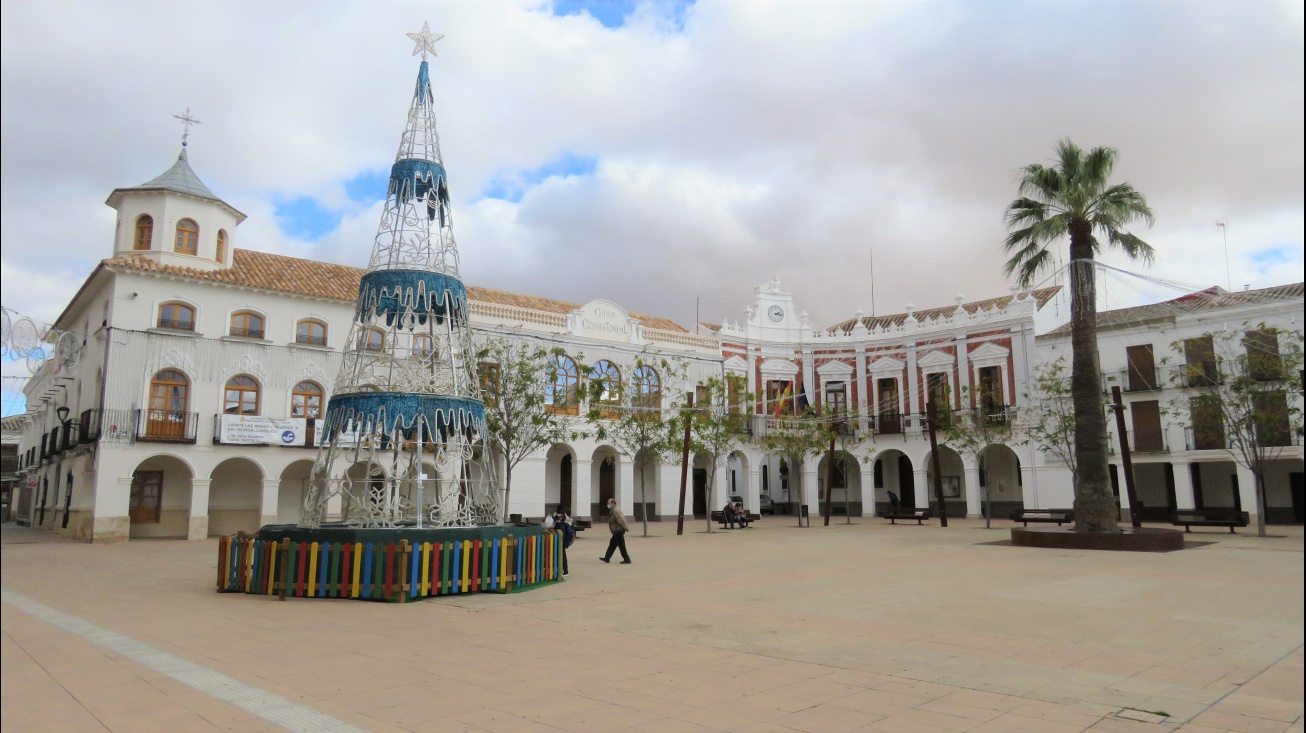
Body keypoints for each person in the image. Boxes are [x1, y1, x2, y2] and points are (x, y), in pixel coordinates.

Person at [600, 497, 631, 564]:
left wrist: (626, 528)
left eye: (609, 503)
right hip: (616, 531)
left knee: (621, 546)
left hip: (618, 530)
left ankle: (627, 559)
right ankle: (607, 558)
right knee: (612, 544)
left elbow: (621, 520)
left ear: (613, 503)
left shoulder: (616, 510)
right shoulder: (613, 509)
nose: (607, 504)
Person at [545, 504, 574, 576]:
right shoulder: (563, 523)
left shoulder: (562, 525)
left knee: (562, 555)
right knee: (561, 555)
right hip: (561, 542)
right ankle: (563, 569)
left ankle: (565, 571)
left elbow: (561, 534)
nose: (557, 517)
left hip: (561, 542)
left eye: (558, 516)